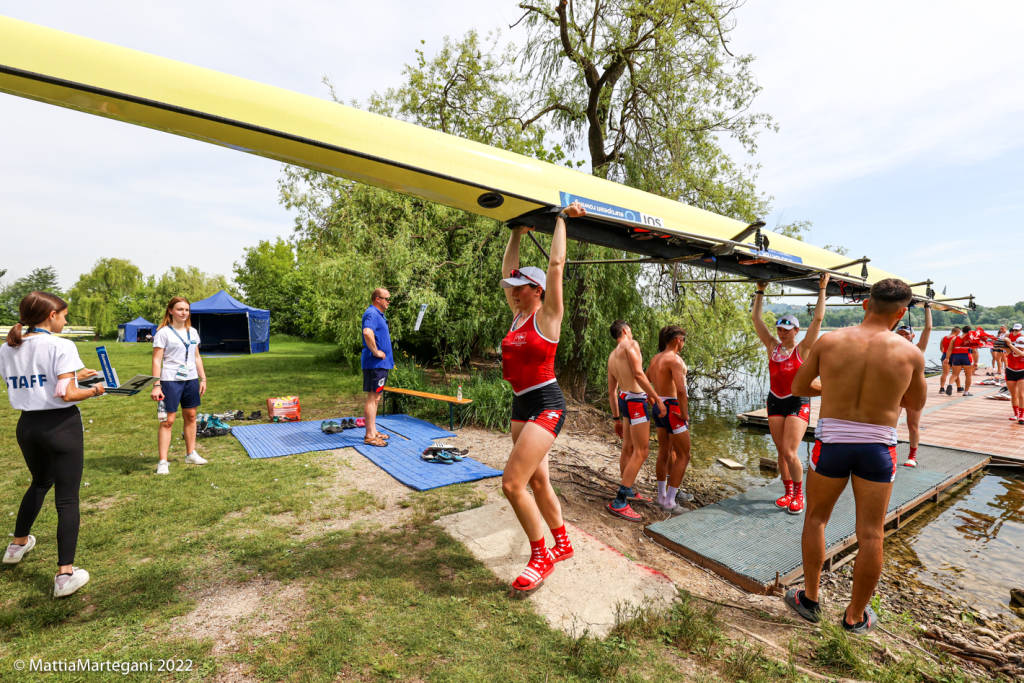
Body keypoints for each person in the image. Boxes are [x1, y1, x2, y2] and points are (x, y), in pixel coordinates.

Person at [786, 278, 926, 635]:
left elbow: (799, 387)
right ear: (900, 313)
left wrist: (832, 387)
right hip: (878, 448)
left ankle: (811, 599)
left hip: (832, 443)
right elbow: (915, 403)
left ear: (865, 304)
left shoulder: (830, 341)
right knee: (872, 534)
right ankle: (854, 616)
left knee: (816, 519)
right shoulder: (910, 353)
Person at [499, 201, 585, 593]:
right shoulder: (517, 314)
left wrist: (560, 220)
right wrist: (516, 234)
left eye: (519, 288)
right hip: (521, 404)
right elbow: (506, 271)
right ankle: (562, 542)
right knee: (537, 481)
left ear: (537, 291)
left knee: (512, 484)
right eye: (512, 289)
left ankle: (541, 555)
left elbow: (555, 267)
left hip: (547, 404)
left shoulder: (547, 314)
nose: (512, 292)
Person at [1, 291, 105, 597]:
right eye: (63, 315)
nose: (66, 320)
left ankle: (17, 544)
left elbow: (37, 380)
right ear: (50, 316)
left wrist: (76, 376)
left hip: (27, 426)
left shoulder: (8, 347)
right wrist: (96, 389)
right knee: (68, 498)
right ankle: (64, 575)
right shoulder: (62, 345)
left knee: (39, 482)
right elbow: (66, 394)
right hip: (61, 426)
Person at [751, 274, 829, 515]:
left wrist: (822, 289)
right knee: (780, 451)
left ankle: (799, 494)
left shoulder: (803, 348)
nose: (782, 332)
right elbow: (756, 319)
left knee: (790, 451)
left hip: (796, 401)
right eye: (779, 329)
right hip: (775, 400)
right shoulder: (772, 346)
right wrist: (760, 291)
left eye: (786, 329)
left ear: (796, 330)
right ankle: (787, 492)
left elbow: (817, 319)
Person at [606, 321, 666, 521]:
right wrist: (656, 398)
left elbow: (612, 392)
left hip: (624, 399)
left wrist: (616, 418)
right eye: (630, 330)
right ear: (625, 331)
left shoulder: (612, 356)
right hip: (635, 401)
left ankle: (628, 489)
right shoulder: (631, 345)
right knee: (642, 451)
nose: (632, 333)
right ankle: (620, 500)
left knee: (628, 448)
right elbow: (639, 374)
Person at [150, 297, 208, 474]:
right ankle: (163, 462)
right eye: (180, 309)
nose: (184, 313)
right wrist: (156, 385)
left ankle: (190, 453)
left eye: (187, 310)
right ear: (170, 311)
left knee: (191, 416)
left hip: (190, 380)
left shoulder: (193, 332)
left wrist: (203, 378)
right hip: (170, 380)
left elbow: (196, 357)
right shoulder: (163, 333)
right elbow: (156, 359)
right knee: (167, 421)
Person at [646, 325, 692, 513]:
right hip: (673, 408)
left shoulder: (655, 359)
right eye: (683, 340)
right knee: (684, 454)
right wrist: (685, 414)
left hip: (659, 406)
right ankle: (670, 502)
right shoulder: (674, 360)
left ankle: (661, 497)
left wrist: (653, 400)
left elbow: (646, 380)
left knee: (664, 450)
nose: (683, 344)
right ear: (676, 340)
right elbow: (681, 390)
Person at [895, 304, 931, 467]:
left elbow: (928, 329)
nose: (903, 336)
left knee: (912, 425)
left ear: (912, 335)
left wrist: (927, 308)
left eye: (906, 333)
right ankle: (888, 452)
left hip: (914, 391)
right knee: (889, 423)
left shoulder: (918, 350)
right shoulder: (891, 349)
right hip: (896, 391)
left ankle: (912, 455)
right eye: (900, 333)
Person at [361, 288, 394, 447]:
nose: (389, 302)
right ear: (377, 299)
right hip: (375, 364)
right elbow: (367, 332)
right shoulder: (372, 313)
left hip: (380, 365)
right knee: (373, 398)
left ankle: (374, 431)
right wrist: (376, 352)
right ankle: (369, 436)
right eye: (386, 298)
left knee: (376, 397)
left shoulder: (378, 314)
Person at [948, 325, 975, 397]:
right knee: (968, 375)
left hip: (956, 356)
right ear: (970, 331)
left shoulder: (954, 338)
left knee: (954, 374)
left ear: (962, 331)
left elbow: (949, 349)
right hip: (966, 356)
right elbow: (974, 351)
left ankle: (950, 384)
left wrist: (947, 358)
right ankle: (966, 392)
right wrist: (975, 362)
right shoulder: (971, 339)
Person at [1004, 336, 1024, 425]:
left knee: (1021, 395)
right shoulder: (1009, 350)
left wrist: (1010, 344)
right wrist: (1004, 340)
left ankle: (1021, 415)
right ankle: (1015, 414)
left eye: (1021, 345)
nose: (1019, 347)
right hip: (1010, 372)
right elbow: (997, 345)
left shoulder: (1015, 349)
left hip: (1022, 372)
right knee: (1013, 394)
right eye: (1018, 345)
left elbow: (1021, 354)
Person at [938, 327, 960, 395]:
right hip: (954, 356)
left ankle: (942, 388)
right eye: (959, 332)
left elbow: (941, 348)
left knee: (944, 373)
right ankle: (959, 388)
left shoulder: (943, 338)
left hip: (945, 356)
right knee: (955, 373)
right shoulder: (955, 338)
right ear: (957, 332)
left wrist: (945, 354)